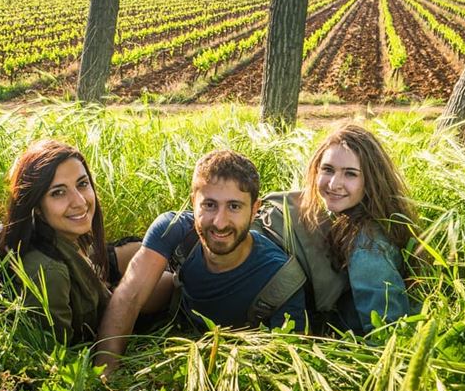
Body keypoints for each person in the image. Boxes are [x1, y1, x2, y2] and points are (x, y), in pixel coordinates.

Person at [95, 150, 307, 371]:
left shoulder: (281, 278)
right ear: (193, 202)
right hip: (176, 308)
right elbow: (128, 297)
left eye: (234, 206)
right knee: (127, 285)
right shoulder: (174, 227)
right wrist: (104, 376)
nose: (220, 222)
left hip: (229, 358)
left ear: (255, 209)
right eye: (209, 205)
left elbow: (287, 362)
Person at [0, 139, 170, 344]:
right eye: (58, 192)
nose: (79, 201)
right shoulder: (49, 273)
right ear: (36, 206)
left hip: (94, 278)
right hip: (107, 314)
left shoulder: (61, 234)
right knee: (171, 284)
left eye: (82, 184)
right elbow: (58, 352)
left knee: (145, 249)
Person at [275, 123, 417, 335]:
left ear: (370, 180)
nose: (334, 184)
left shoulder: (367, 244)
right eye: (328, 170)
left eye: (350, 174)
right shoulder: (349, 216)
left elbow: (387, 329)